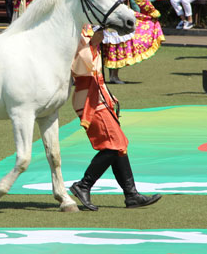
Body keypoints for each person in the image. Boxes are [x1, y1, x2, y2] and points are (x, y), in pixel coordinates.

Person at [68, 26, 162, 211]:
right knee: (113, 144)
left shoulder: (86, 30)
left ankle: (131, 194)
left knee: (119, 146)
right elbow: (80, 66)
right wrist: (93, 42)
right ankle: (84, 185)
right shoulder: (76, 32)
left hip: (98, 95)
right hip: (89, 97)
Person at [100, 0, 164, 84]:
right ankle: (101, 76)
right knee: (104, 45)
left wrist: (151, 11)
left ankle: (114, 75)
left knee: (118, 44)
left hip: (121, 15)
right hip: (106, 15)